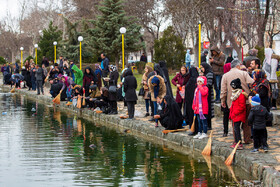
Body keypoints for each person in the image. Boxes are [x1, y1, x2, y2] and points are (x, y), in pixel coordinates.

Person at [221, 59, 254, 144]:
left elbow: (223, 90)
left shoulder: (225, 75)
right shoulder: (243, 73)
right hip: (245, 99)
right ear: (238, 66)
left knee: (235, 122)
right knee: (246, 121)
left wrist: (222, 100)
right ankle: (247, 139)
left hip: (232, 101)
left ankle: (237, 140)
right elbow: (252, 82)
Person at [229, 78, 247, 150]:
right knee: (235, 129)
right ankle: (236, 141)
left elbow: (242, 106)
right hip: (235, 115)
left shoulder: (241, 94)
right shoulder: (235, 93)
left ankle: (239, 143)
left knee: (237, 129)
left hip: (238, 115)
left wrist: (234, 113)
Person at [183, 67, 199, 135]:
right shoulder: (198, 80)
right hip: (197, 101)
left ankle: (194, 129)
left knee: (192, 115)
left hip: (191, 101)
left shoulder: (192, 80)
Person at [201, 62, 214, 130]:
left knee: (208, 109)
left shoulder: (209, 74)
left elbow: (209, 84)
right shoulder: (205, 73)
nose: (202, 69)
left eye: (202, 67)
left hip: (208, 93)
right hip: (205, 93)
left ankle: (209, 125)